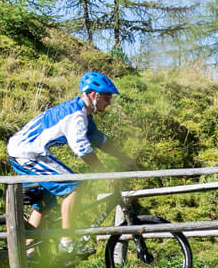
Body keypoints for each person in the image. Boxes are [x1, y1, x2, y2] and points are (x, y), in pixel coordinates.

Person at [7, 71, 132, 255]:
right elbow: (82, 149)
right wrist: (105, 173)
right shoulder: (76, 116)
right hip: (27, 153)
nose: (109, 102)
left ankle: (28, 251)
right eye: (106, 97)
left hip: (26, 150)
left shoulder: (84, 113)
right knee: (74, 186)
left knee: (45, 203)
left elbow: (98, 139)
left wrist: (123, 158)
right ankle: (67, 242)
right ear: (93, 95)